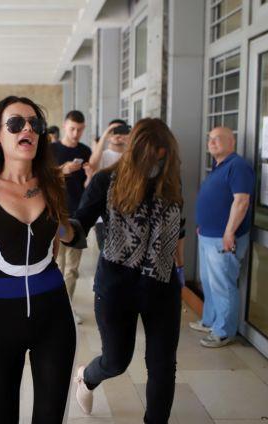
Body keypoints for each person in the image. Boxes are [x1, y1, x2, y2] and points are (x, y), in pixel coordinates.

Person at [0, 96, 76, 423]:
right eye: (16, 123)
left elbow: (54, 244)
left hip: (54, 316)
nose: (28, 129)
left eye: (34, 124)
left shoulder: (52, 182)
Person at [70, 118, 185, 424]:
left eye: (163, 156)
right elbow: (80, 222)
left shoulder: (169, 182)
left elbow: (178, 229)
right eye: (152, 156)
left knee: (163, 365)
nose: (156, 163)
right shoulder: (106, 181)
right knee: (116, 361)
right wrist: (60, 227)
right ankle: (87, 377)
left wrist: (180, 269)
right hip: (116, 287)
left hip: (161, 285)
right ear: (136, 151)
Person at [190, 127, 254, 348]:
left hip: (223, 238)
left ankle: (224, 332)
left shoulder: (238, 166)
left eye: (218, 139)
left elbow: (241, 201)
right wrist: (204, 225)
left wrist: (229, 232)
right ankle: (210, 321)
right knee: (208, 282)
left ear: (231, 141)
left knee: (222, 285)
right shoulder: (219, 167)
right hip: (208, 235)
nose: (212, 142)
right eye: (210, 139)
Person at [50, 110, 92, 322]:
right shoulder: (51, 150)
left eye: (80, 129)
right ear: (65, 126)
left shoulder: (85, 151)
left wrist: (91, 177)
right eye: (72, 129)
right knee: (57, 263)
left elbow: (87, 186)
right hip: (55, 213)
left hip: (78, 215)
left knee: (73, 268)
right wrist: (63, 170)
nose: (76, 133)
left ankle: (66, 306)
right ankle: (54, 306)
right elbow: (42, 178)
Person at [85, 119, 131, 250]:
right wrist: (105, 135)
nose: (117, 134)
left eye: (121, 131)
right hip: (104, 214)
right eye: (113, 131)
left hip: (128, 212)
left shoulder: (131, 155)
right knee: (105, 253)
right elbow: (93, 164)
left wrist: (130, 140)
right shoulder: (102, 155)